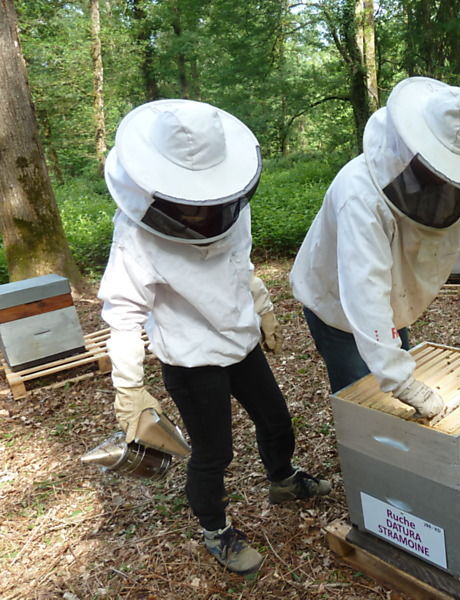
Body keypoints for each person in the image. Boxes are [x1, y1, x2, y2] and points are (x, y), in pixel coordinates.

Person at [97, 99, 331, 576]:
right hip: (190, 359)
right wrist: (129, 388)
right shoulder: (136, 236)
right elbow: (122, 314)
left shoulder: (231, 206)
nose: (200, 207)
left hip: (240, 343)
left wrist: (263, 309)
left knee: (276, 420)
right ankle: (215, 530)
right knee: (214, 452)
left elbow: (238, 264)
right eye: (188, 198)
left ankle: (283, 479)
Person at [290, 76, 460, 418]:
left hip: (392, 300)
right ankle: (370, 460)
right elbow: (364, 291)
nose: (448, 181)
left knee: (396, 382)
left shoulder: (454, 191)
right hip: (338, 307)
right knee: (365, 400)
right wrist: (400, 380)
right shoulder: (359, 194)